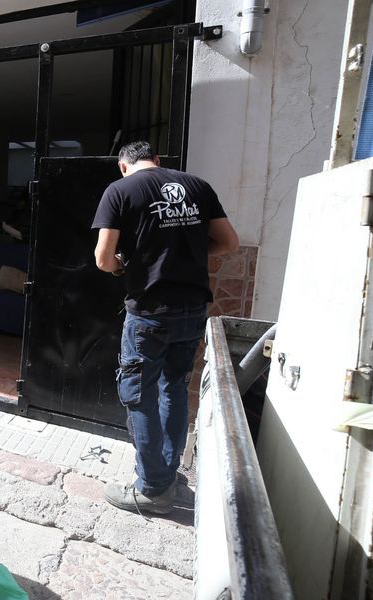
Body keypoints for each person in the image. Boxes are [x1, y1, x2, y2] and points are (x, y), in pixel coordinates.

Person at [91, 140, 239, 515]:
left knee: (140, 395)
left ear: (123, 166)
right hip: (192, 310)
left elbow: (103, 258)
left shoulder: (119, 190)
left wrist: (125, 266)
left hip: (150, 313)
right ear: (157, 161)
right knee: (173, 388)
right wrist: (183, 253)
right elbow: (228, 242)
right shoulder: (197, 185)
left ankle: (154, 488)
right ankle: (168, 472)